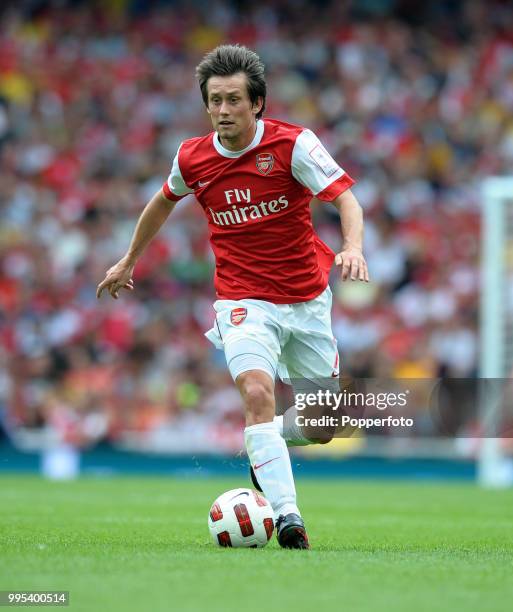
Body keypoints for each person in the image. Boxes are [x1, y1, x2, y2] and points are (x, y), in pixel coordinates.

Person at [97, 44, 369, 549]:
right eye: (215, 101)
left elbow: (346, 197)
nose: (223, 111)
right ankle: (289, 518)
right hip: (243, 301)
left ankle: (264, 442)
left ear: (257, 103)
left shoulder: (294, 146)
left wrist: (352, 247)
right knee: (256, 394)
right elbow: (163, 200)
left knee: (327, 425)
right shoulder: (192, 157)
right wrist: (129, 258)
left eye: (233, 101)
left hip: (307, 300)